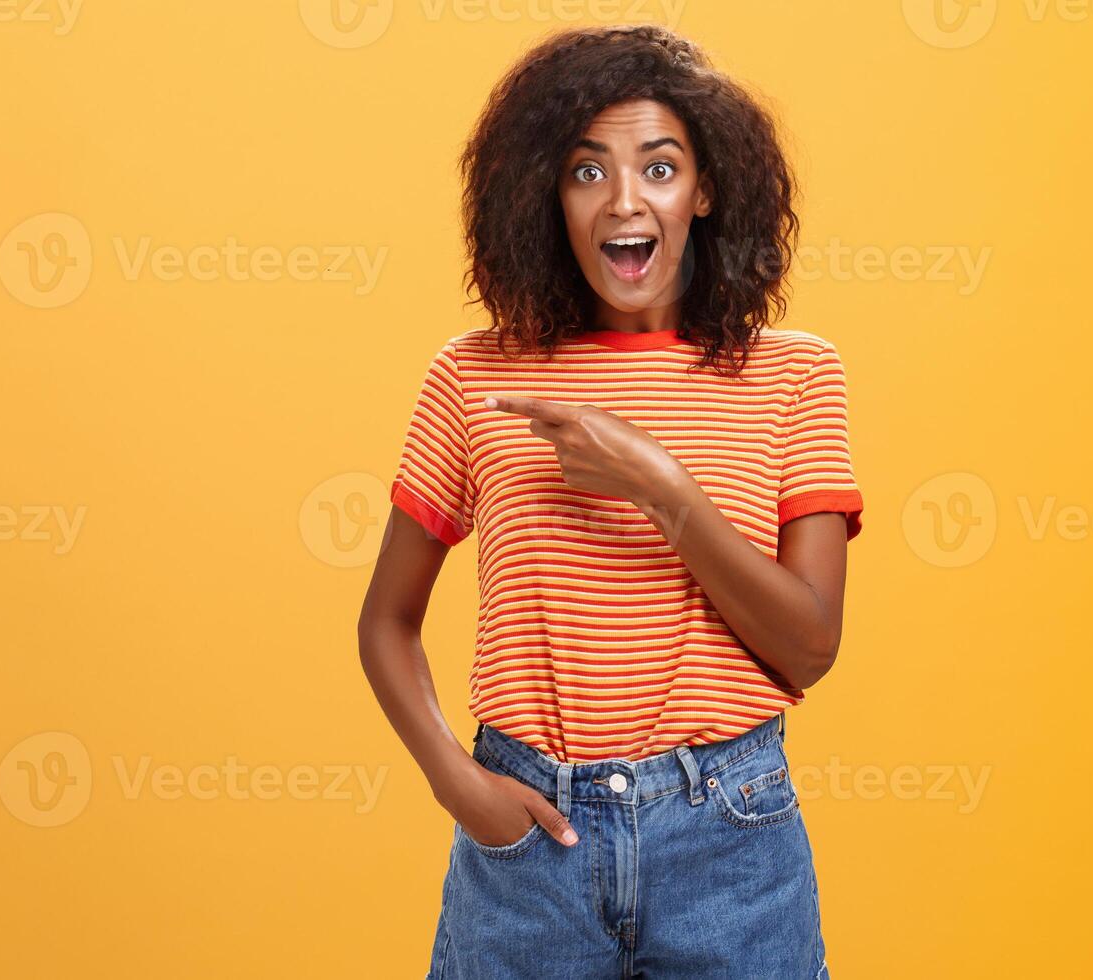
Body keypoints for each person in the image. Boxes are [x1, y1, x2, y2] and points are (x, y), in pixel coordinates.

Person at [357, 24, 861, 978]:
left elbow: (810, 645)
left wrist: (658, 484)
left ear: (705, 191)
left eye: (659, 168)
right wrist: (459, 785)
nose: (625, 201)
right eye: (587, 174)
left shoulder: (795, 377)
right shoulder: (474, 377)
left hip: (730, 841)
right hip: (527, 847)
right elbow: (385, 622)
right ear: (547, 196)